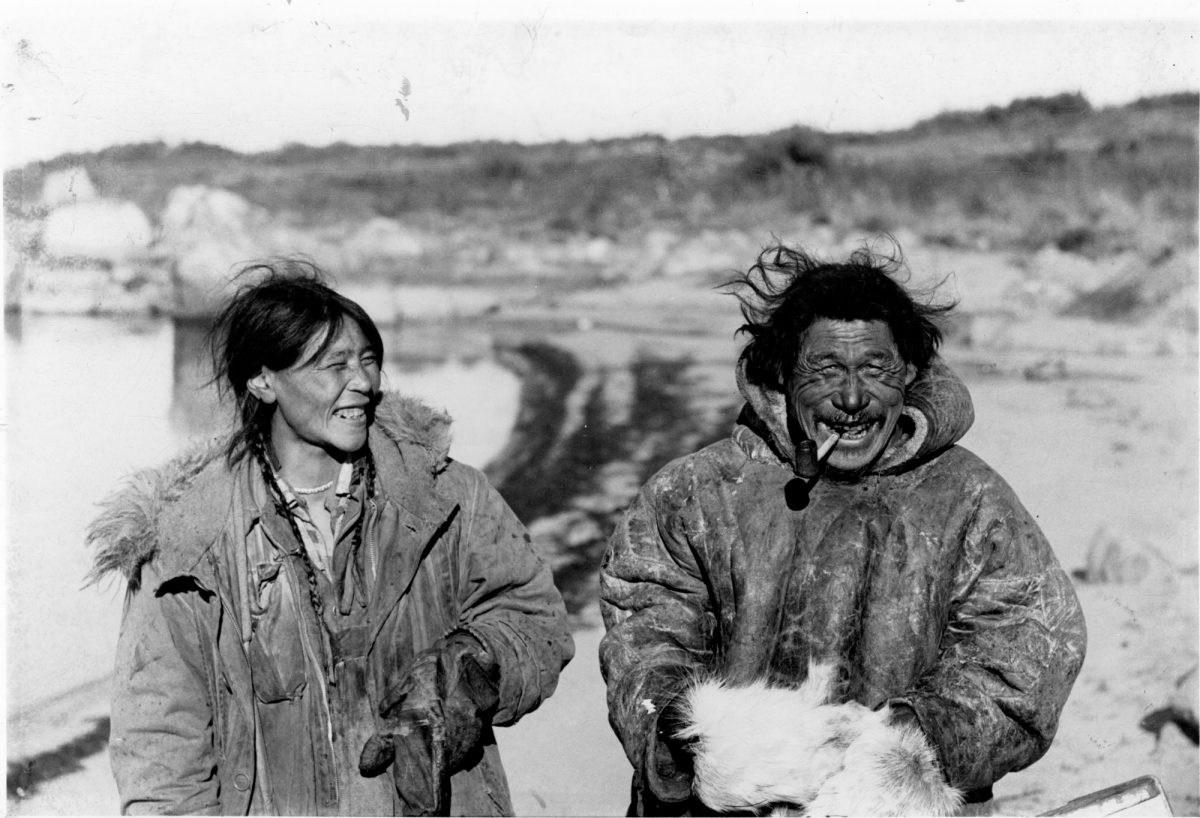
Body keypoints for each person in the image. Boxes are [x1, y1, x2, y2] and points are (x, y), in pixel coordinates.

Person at [599, 244, 1087, 816]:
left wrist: (914, 742)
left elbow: (1028, 649)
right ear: (783, 374)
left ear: (909, 372)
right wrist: (698, 735)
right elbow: (645, 635)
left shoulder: (971, 498)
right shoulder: (694, 494)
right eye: (826, 370)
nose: (852, 398)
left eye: (875, 370)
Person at [88, 259, 574, 815]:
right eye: (334, 365)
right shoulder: (188, 544)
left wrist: (467, 669)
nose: (364, 383)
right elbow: (160, 744)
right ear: (263, 380)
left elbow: (535, 618)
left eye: (368, 359)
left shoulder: (447, 496)